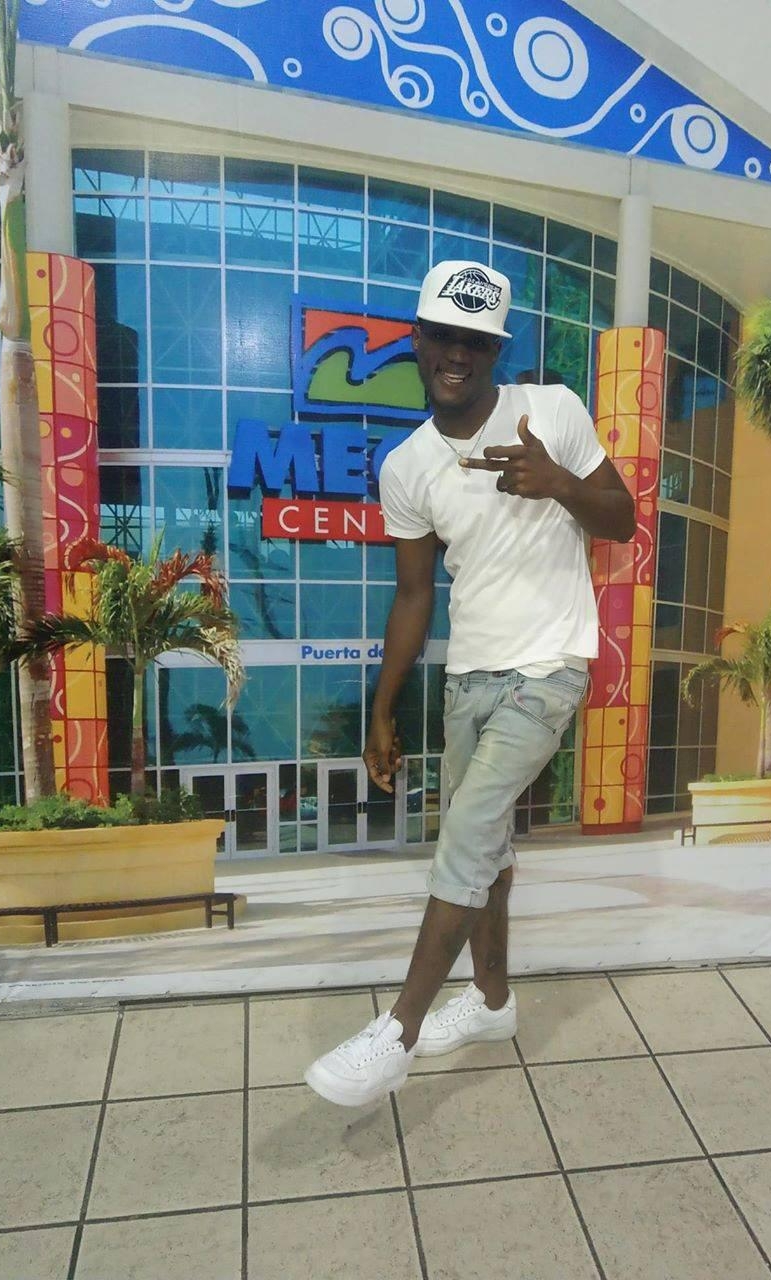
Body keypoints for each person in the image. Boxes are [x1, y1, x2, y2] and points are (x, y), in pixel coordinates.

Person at [305, 260, 635, 1106]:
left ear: (496, 350)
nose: (458, 354)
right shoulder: (408, 466)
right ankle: (492, 1004)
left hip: (549, 666)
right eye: (444, 336)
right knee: (484, 848)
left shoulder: (550, 411)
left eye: (476, 341)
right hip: (469, 679)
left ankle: (398, 1033)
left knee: (467, 835)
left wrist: (560, 484)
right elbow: (414, 595)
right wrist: (383, 710)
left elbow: (624, 520)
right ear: (417, 340)